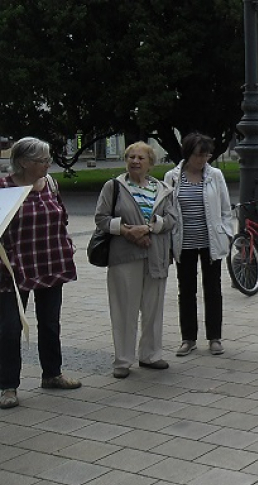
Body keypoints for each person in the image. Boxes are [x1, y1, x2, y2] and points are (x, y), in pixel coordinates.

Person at [0, 138, 82, 409]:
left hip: (49, 262)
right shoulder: (4, 187)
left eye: (48, 160)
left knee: (50, 323)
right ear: (23, 162)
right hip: (12, 267)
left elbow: (62, 218)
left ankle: (52, 374)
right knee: (10, 329)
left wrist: (67, 246)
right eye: (42, 160)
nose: (48, 164)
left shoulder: (50, 184)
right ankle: (8, 386)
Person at [95, 142, 179, 379]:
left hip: (156, 256)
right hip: (124, 257)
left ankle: (150, 354)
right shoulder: (114, 187)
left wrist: (149, 229)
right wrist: (126, 231)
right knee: (124, 309)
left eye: (141, 157)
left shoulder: (163, 189)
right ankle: (123, 360)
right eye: (131, 157)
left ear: (150, 163)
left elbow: (172, 218)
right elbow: (101, 218)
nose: (135, 161)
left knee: (153, 309)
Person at [165, 133, 233, 357]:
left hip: (210, 241)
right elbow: (167, 209)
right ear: (188, 154)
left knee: (213, 289)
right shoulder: (172, 177)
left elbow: (225, 209)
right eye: (198, 155)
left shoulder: (215, 175)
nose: (203, 160)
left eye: (206, 155)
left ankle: (215, 337)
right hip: (184, 242)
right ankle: (188, 338)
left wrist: (226, 232)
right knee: (186, 291)